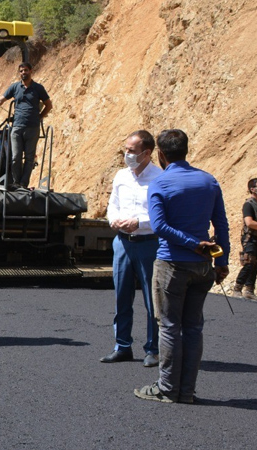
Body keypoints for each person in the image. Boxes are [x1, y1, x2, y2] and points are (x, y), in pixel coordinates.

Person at [134, 129, 229, 404]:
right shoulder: (208, 181)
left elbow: (160, 226)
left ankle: (166, 388)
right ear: (186, 150)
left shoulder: (161, 184)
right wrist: (221, 261)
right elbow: (221, 224)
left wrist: (191, 243)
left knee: (169, 327)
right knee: (193, 328)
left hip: (172, 264)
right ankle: (186, 390)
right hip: (202, 267)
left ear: (161, 155)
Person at [101, 130, 163, 367]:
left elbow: (162, 216)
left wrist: (140, 223)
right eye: (125, 149)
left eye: (132, 151)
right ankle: (122, 346)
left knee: (152, 300)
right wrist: (114, 220)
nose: (127, 154)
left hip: (149, 244)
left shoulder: (159, 178)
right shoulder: (121, 176)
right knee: (121, 297)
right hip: (123, 244)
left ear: (147, 153)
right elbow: (113, 205)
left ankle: (153, 350)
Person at [0, 62, 52, 189]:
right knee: (15, 156)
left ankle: (23, 183)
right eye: (21, 71)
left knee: (30, 157)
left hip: (33, 128)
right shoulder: (15, 87)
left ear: (31, 71)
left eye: (25, 70)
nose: (23, 73)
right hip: (17, 127)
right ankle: (16, 182)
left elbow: (49, 105)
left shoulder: (38, 88)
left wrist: (40, 117)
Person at [232, 178, 257, 302]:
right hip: (250, 238)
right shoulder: (249, 204)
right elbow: (249, 222)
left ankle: (249, 290)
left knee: (256, 264)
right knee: (249, 263)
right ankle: (237, 289)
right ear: (252, 189)